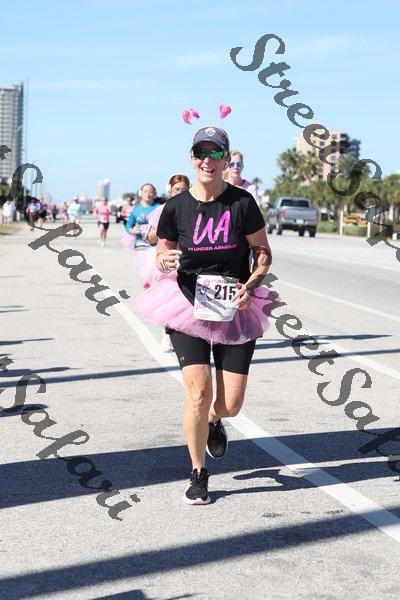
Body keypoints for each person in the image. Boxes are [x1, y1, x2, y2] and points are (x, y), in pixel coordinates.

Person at [135, 126, 275, 505]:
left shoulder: (243, 203)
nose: (207, 160)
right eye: (201, 152)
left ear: (226, 159)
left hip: (235, 306)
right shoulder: (176, 207)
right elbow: (162, 250)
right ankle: (198, 472)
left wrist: (252, 284)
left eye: (216, 153)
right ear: (191, 157)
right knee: (198, 393)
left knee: (231, 404)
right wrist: (163, 259)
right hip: (186, 304)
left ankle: (216, 420)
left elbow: (262, 253)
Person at [146, 174, 190, 352]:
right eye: (176, 189)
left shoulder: (194, 207)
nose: (180, 193)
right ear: (170, 190)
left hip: (189, 259)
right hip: (169, 259)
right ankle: (166, 335)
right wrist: (165, 228)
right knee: (169, 301)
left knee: (186, 301)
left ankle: (190, 336)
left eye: (184, 190)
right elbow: (149, 237)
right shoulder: (164, 209)